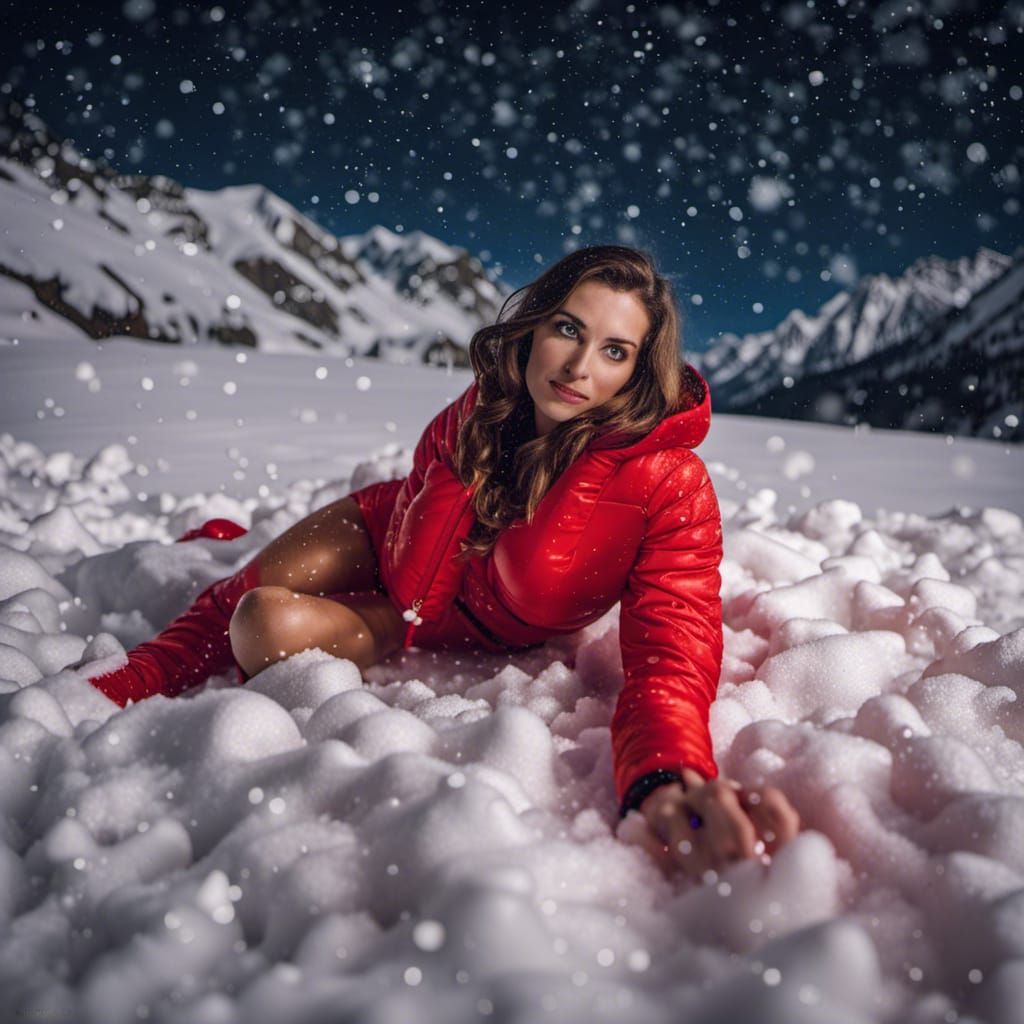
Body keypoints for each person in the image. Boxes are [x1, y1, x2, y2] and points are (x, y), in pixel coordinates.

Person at [81, 245, 800, 880]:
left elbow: (675, 644)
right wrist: (126, 684)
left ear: (640, 371)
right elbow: (424, 515)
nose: (579, 367)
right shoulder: (486, 407)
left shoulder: (668, 483)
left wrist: (665, 775)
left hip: (418, 622)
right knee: (249, 583)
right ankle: (214, 554)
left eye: (614, 351)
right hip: (382, 531)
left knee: (259, 622)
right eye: (568, 329)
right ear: (535, 326)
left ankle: (266, 565)